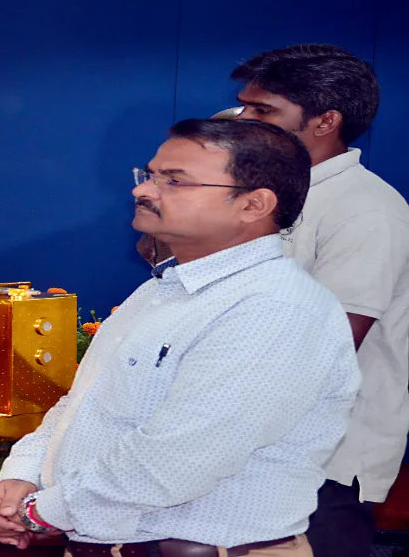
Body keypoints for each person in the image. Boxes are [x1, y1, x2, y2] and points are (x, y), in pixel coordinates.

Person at [0, 119, 359, 556]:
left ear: (254, 204)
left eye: (175, 181)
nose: (144, 191)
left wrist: (39, 511)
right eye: (151, 175)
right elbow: (81, 405)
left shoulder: (275, 308)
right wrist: (20, 476)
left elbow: (180, 459)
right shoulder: (163, 289)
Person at [141, 44, 409, 556]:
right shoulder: (259, 191)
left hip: (318, 458)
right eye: (244, 106)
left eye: (264, 111)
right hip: (233, 442)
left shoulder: (366, 210)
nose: (244, 119)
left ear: (325, 120)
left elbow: (324, 350)